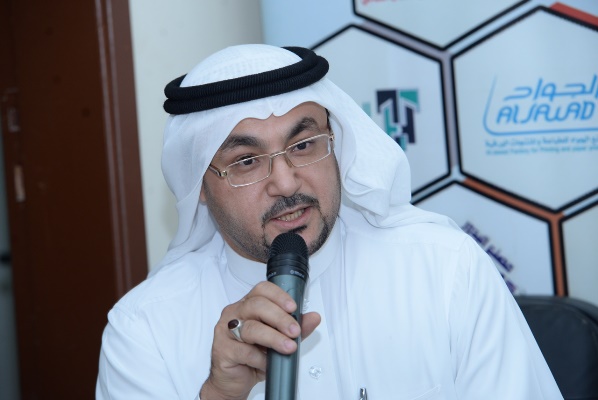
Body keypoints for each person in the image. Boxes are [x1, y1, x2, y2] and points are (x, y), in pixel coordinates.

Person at [96, 44, 562, 399]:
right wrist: (219, 395)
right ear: (199, 184)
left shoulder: (444, 268)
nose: (285, 182)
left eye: (303, 146)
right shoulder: (145, 329)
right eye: (246, 162)